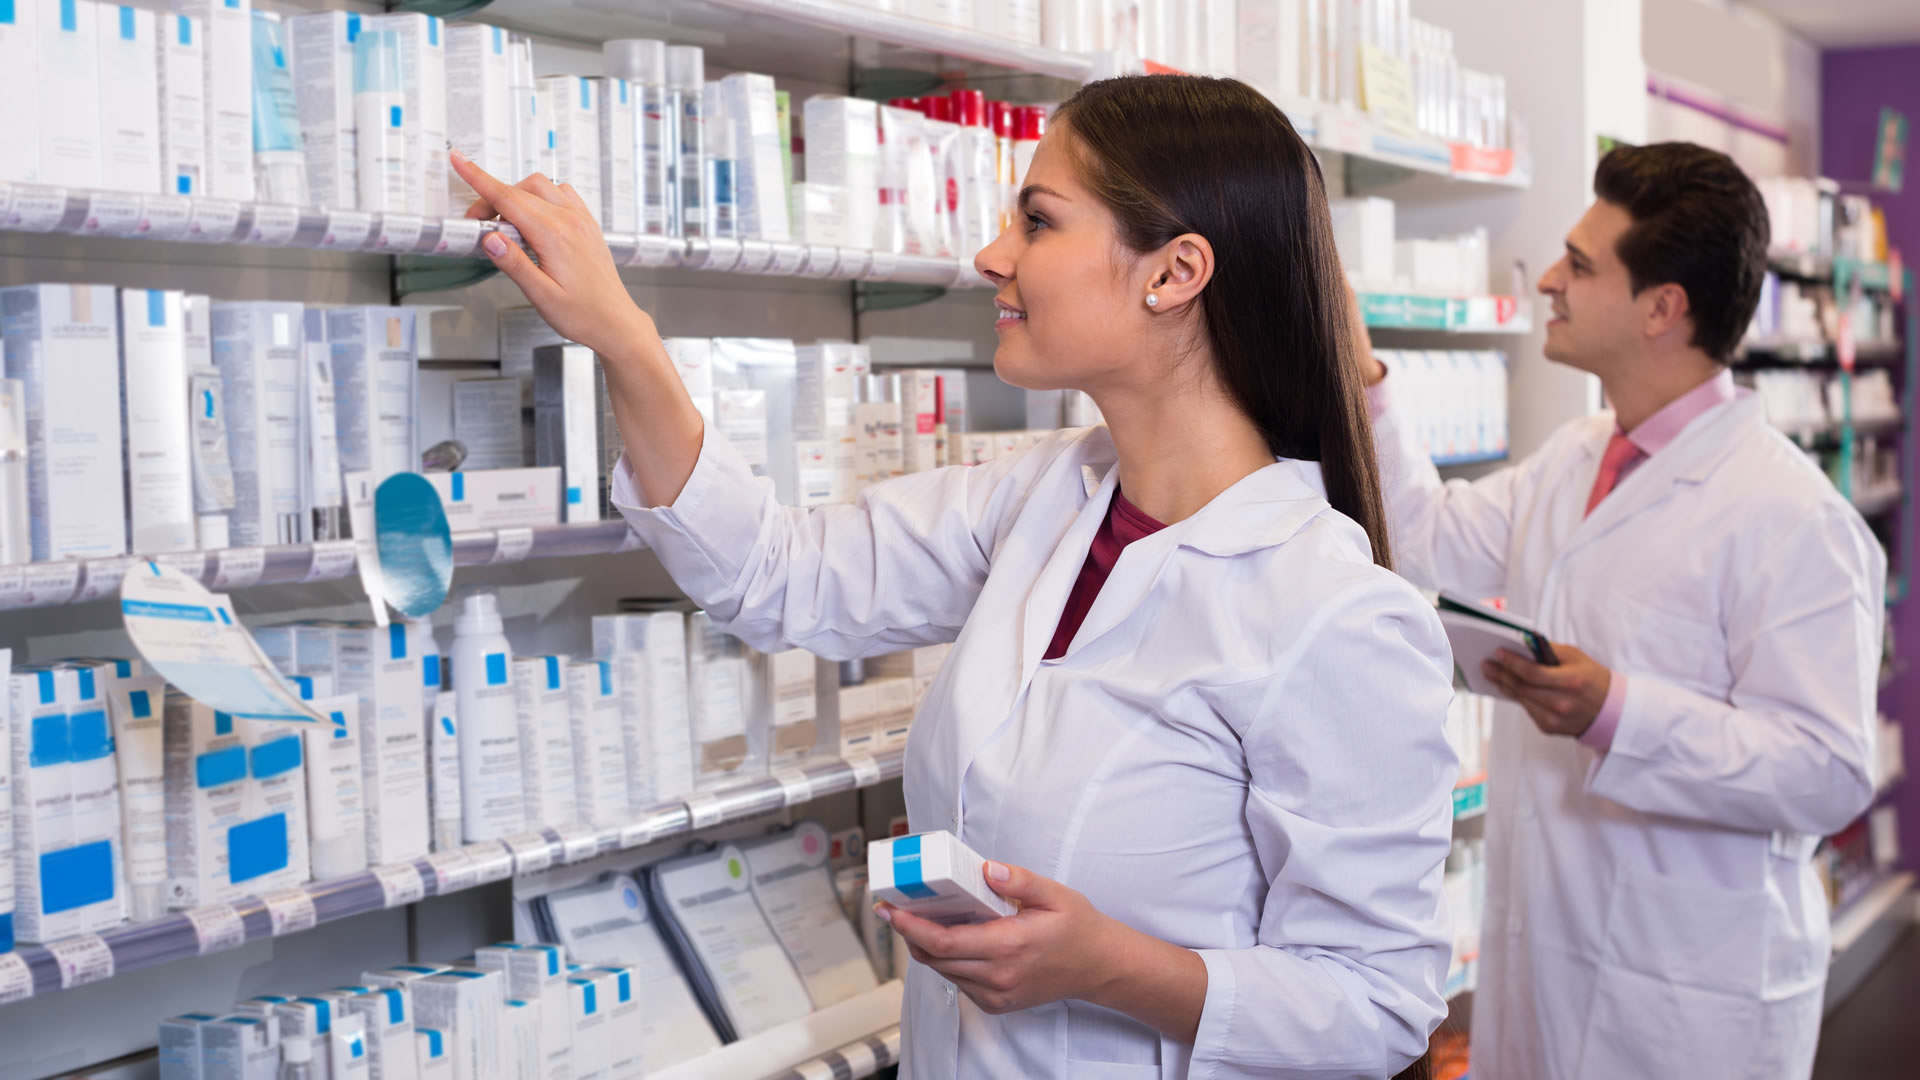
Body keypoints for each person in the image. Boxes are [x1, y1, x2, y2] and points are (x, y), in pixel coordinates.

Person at [454, 75, 1459, 1079]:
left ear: (1173, 273)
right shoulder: (1035, 502)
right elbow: (773, 574)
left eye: (1037, 220)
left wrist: (1113, 967)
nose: (993, 255)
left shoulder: (1330, 613)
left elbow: (1375, 1008)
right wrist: (621, 334)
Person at [1359, 142, 1884, 1080]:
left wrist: (1618, 713)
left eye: (1582, 265)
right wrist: (1365, 387)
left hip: (1688, 993)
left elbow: (1829, 771)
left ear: (1662, 308)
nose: (1550, 281)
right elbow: (1427, 546)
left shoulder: (1795, 517)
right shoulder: (1577, 454)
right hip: (1545, 962)